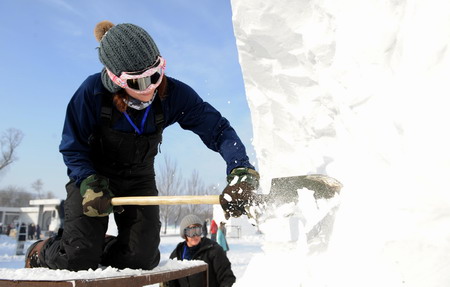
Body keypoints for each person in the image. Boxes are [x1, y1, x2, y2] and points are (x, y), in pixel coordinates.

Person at [25, 20, 259, 271]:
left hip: (138, 178)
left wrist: (240, 169)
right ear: (116, 80)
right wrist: (88, 180)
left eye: (155, 75)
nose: (150, 88)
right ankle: (43, 250)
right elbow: (73, 147)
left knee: (142, 258)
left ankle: (99, 247)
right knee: (78, 258)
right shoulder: (91, 93)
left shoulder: (174, 94)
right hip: (92, 178)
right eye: (138, 82)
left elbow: (218, 129)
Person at [168, 214, 236, 287]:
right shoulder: (178, 253)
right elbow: (171, 281)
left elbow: (227, 278)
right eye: (191, 232)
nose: (195, 235)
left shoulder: (213, 250)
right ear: (184, 234)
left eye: (198, 231)